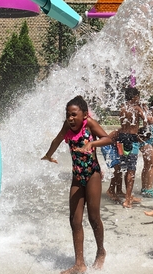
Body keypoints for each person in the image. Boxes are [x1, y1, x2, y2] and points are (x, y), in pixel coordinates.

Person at [42, 96, 108, 274]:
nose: (70, 118)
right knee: (74, 219)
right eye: (67, 115)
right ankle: (80, 263)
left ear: (84, 115)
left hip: (92, 173)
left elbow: (107, 139)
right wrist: (48, 155)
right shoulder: (67, 126)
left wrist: (92, 143)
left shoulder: (89, 124)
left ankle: (101, 251)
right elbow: (56, 140)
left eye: (73, 114)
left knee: (93, 218)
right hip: (77, 176)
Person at [105, 86, 147, 208]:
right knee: (131, 170)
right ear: (134, 97)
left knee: (124, 168)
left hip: (122, 139)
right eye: (138, 97)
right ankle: (128, 200)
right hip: (132, 140)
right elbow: (146, 121)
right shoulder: (137, 108)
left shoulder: (122, 109)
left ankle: (124, 194)